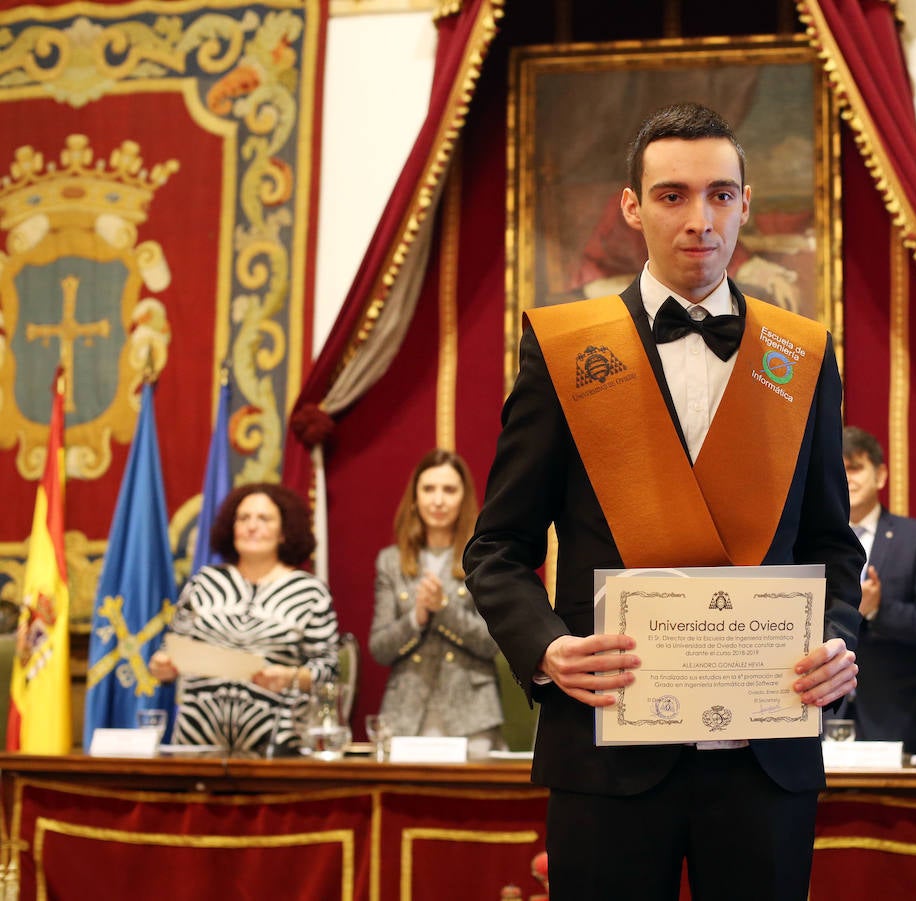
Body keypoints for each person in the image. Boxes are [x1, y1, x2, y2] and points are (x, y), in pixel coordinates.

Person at [463, 102, 863, 901]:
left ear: (746, 204)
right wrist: (547, 648)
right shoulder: (565, 349)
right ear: (632, 207)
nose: (700, 219)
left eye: (720, 194)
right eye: (673, 195)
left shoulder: (803, 354)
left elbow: (831, 542)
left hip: (765, 754)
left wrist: (839, 639)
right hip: (606, 750)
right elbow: (496, 548)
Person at [149, 483, 339, 756]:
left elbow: (329, 669)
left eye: (264, 519)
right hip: (196, 743)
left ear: (285, 531)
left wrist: (290, 677)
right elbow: (172, 648)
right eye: (243, 518)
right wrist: (163, 666)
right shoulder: (205, 582)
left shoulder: (309, 592)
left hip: (277, 746)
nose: (251, 526)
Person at [369, 449, 504, 755]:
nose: (438, 500)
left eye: (449, 490)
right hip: (405, 715)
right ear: (415, 498)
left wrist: (444, 609)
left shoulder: (484, 559)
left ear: (463, 498)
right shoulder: (390, 562)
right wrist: (415, 617)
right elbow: (379, 648)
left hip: (471, 715)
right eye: (429, 489)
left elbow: (492, 643)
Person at [841, 426, 916, 755]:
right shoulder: (810, 543)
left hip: (895, 718)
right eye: (838, 470)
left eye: (855, 468)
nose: (846, 479)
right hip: (822, 715)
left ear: (880, 475)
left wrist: (878, 610)